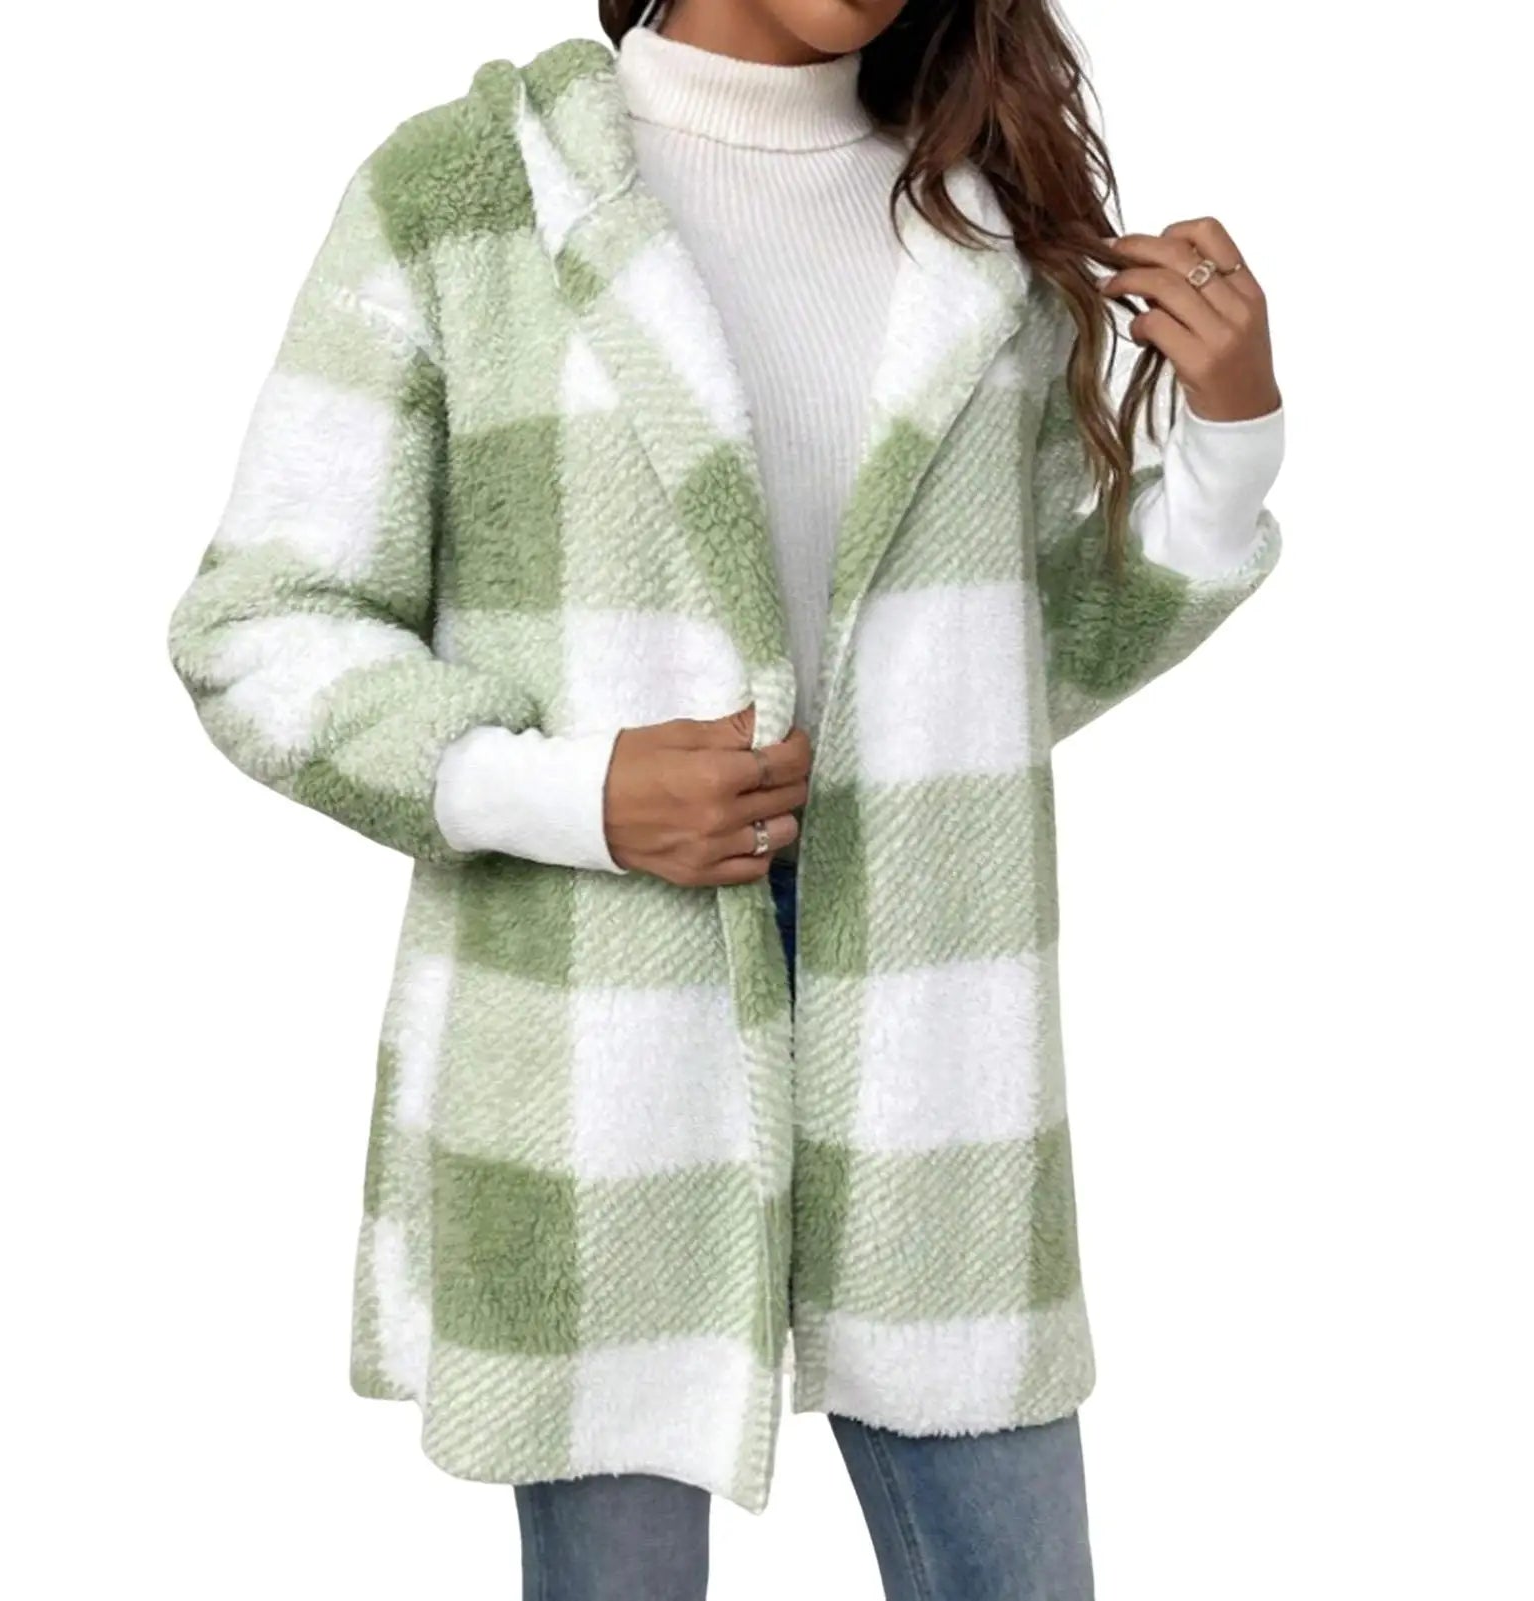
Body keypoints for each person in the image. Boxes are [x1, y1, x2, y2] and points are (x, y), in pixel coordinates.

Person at [167, 1, 1283, 1595]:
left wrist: (1229, 445)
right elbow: (257, 626)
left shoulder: (974, 234)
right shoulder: (468, 197)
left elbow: (1015, 661)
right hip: (593, 1037)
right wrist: (570, 794)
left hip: (933, 1019)